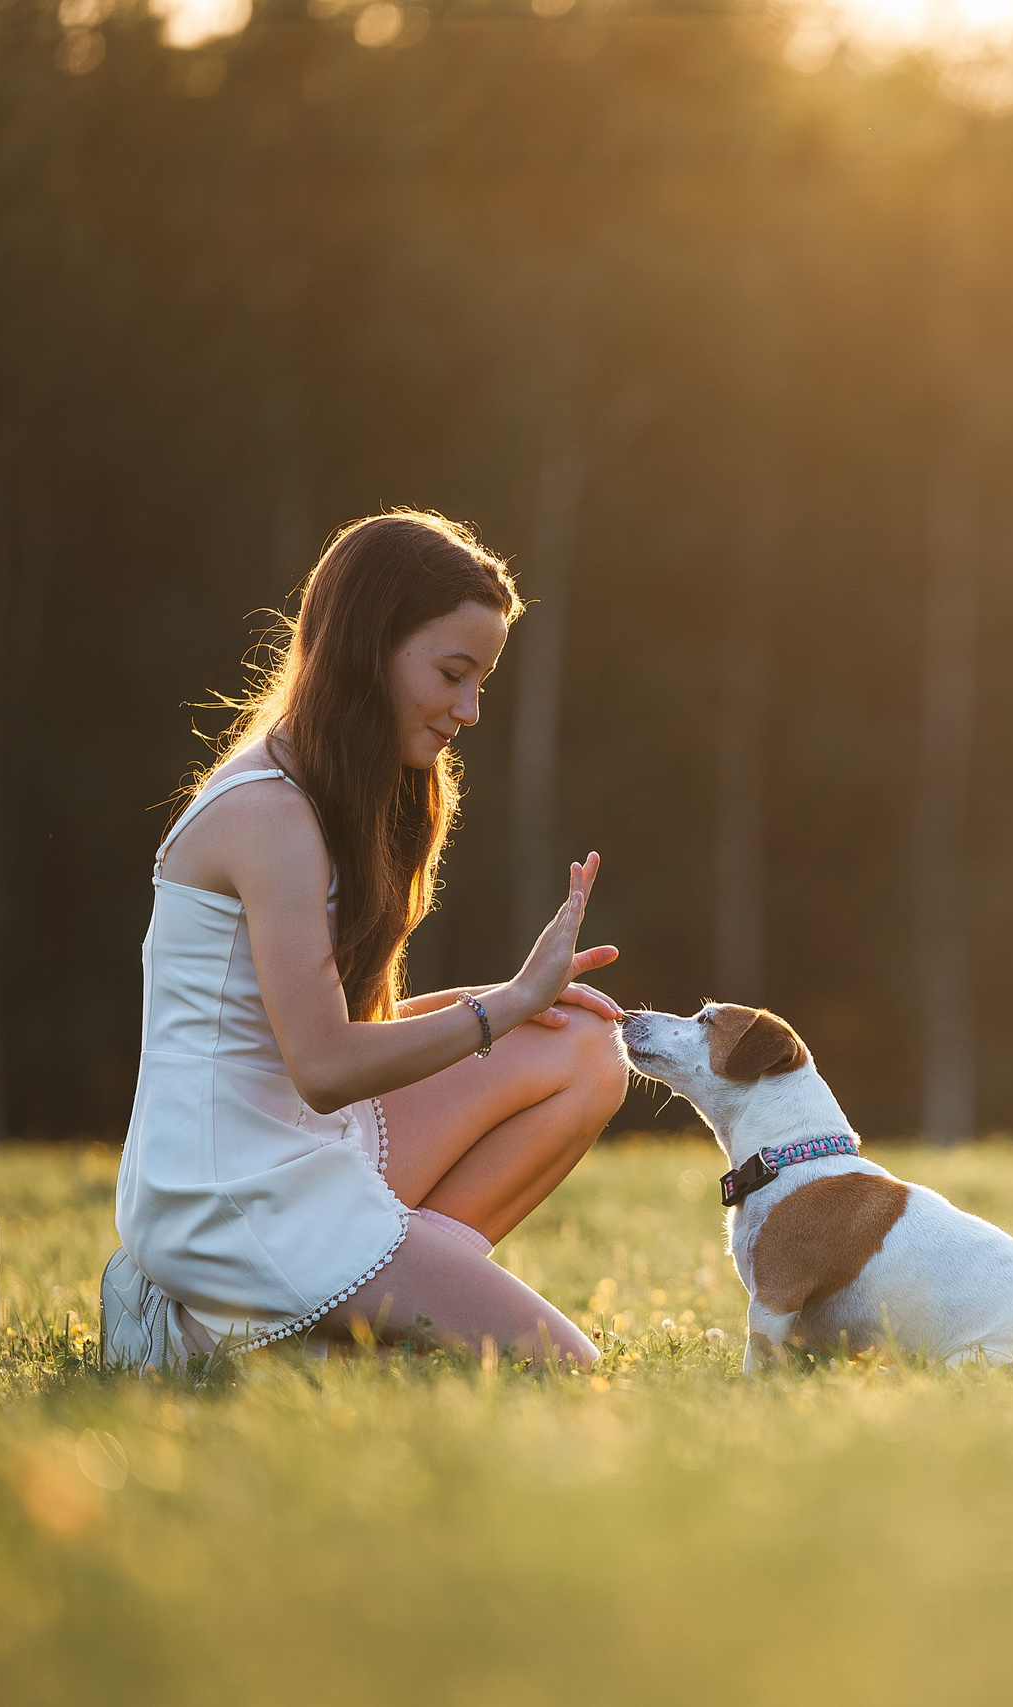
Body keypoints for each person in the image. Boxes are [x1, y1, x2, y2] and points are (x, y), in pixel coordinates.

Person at [101, 510, 629, 1370]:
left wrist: (524, 1003)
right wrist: (498, 1008)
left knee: (584, 1046)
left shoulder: (356, 789)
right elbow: (325, 1064)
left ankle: (361, 1321)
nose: (471, 709)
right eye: (455, 674)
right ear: (367, 646)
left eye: (483, 681)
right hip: (230, 1195)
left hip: (314, 1143)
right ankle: (194, 1331)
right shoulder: (267, 812)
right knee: (566, 1367)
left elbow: (354, 1030)